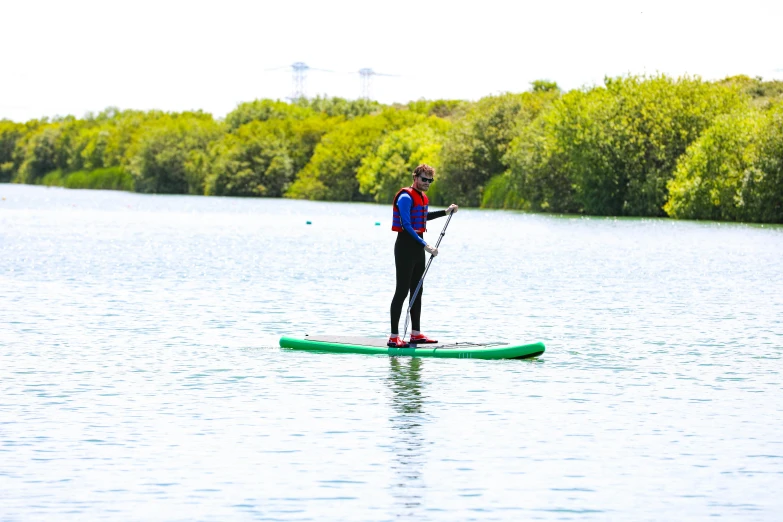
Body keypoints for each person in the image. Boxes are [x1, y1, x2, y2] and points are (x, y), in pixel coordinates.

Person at [388, 164, 458, 347]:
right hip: (405, 247)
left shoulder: (422, 197)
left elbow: (423, 217)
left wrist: (445, 212)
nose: (427, 183)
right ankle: (394, 336)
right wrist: (425, 245)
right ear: (415, 177)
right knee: (402, 291)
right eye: (424, 179)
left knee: (417, 291)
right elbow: (406, 225)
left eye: (430, 180)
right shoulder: (405, 197)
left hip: (418, 250)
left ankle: (416, 334)